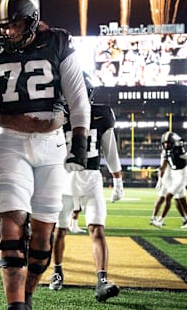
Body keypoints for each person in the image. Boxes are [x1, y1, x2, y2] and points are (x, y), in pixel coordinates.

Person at [0, 0, 91, 310]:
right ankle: (15, 306)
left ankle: (28, 295)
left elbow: (78, 98)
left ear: (32, 19)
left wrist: (79, 142)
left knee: (42, 234)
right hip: (8, 145)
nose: (8, 31)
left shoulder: (58, 42)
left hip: (51, 146)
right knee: (11, 221)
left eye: (15, 23)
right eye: (2, 26)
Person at [48, 74, 120, 303]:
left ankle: (102, 280)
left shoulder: (102, 114)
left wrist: (118, 180)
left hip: (91, 178)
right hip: (64, 179)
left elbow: (110, 149)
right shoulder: (57, 116)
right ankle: (57, 272)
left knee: (97, 229)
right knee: (59, 230)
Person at [150, 131, 187, 229]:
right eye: (165, 143)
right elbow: (164, 166)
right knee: (182, 201)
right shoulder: (166, 152)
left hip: (183, 176)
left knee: (168, 196)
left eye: (168, 143)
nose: (166, 145)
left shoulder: (180, 151)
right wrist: (159, 178)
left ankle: (160, 221)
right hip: (175, 176)